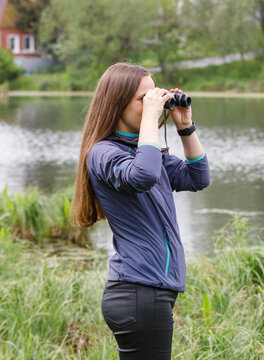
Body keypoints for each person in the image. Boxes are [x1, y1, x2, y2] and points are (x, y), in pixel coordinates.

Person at [69, 63, 210, 359]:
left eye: (154, 96)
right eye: (143, 99)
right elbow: (143, 176)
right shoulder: (104, 152)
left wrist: (184, 125)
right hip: (138, 290)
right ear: (117, 103)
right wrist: (150, 117)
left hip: (147, 291)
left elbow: (198, 178)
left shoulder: (146, 152)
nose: (154, 104)